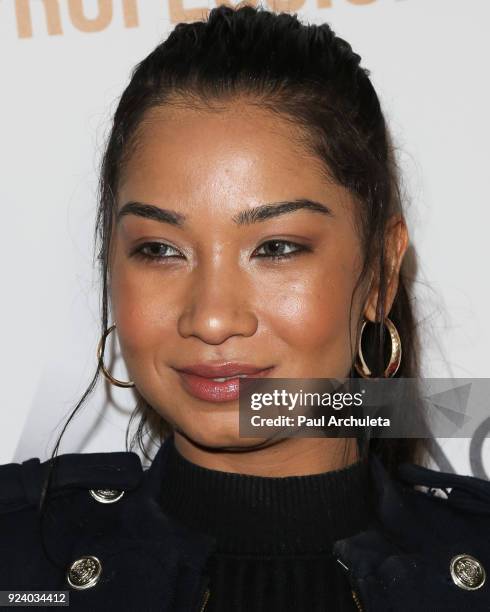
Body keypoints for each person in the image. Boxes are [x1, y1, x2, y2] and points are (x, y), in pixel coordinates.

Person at [1, 4, 489, 611]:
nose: (209, 319)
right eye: (159, 249)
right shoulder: (17, 557)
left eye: (277, 247)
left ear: (381, 274)